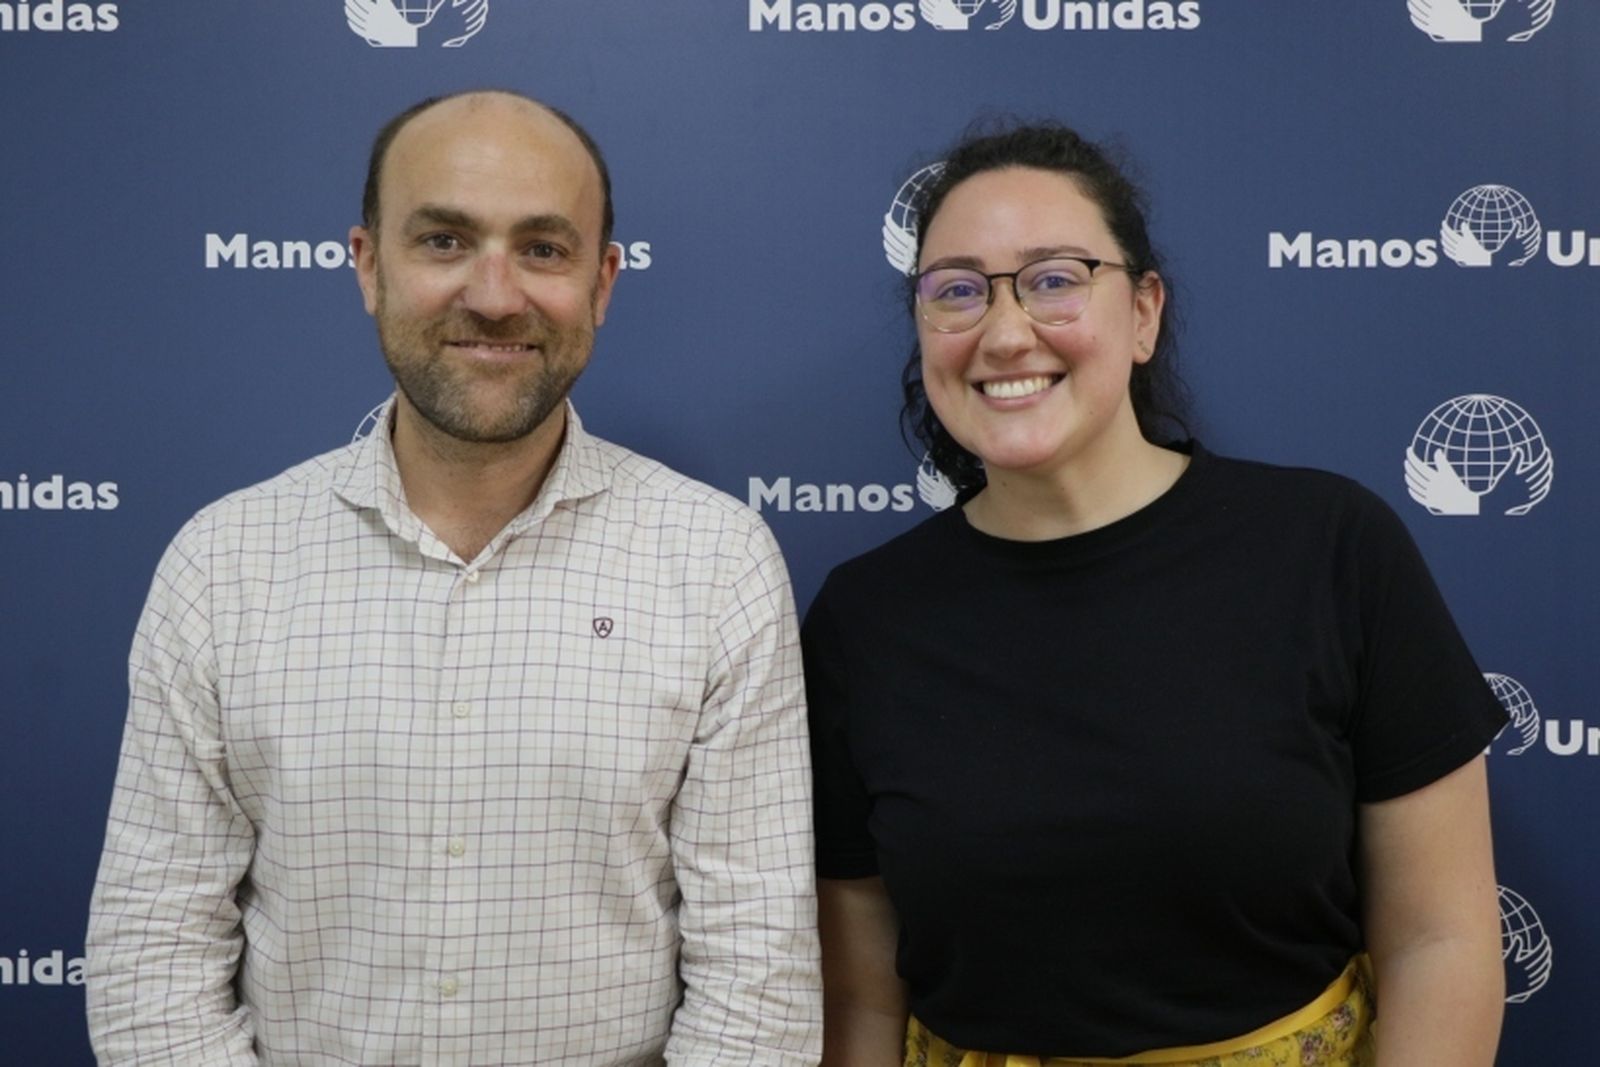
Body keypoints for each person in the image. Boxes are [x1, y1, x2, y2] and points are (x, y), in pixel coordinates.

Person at [86, 90, 821, 1066]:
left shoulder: (717, 562)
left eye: (543, 249)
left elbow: (756, 985)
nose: (495, 293)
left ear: (602, 282)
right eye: (443, 240)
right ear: (366, 264)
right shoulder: (224, 566)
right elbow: (152, 962)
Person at [804, 122, 1507, 1067]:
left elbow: (1442, 941)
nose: (1006, 331)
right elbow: (860, 1001)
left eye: (1054, 278)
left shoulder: (1331, 546)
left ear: (1142, 313)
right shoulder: (864, 619)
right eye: (957, 292)